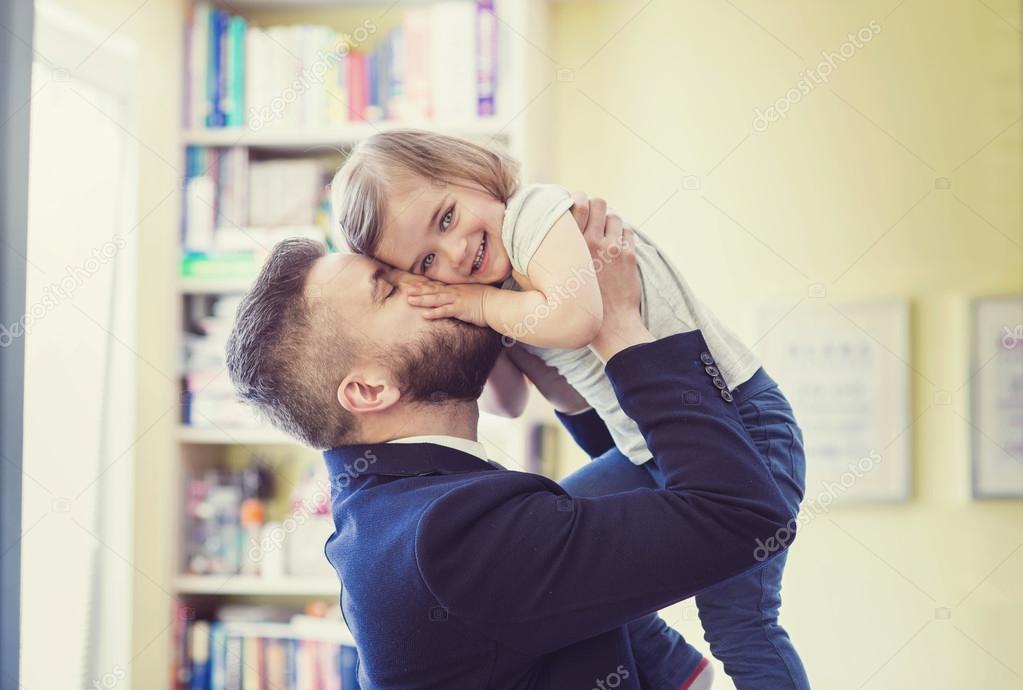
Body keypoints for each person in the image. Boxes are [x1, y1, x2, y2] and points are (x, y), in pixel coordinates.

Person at [225, 197, 795, 689]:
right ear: (370, 388)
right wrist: (619, 328)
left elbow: (618, 492)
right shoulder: (449, 539)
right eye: (391, 287)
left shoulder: (406, 507)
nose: (434, 279)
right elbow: (743, 514)